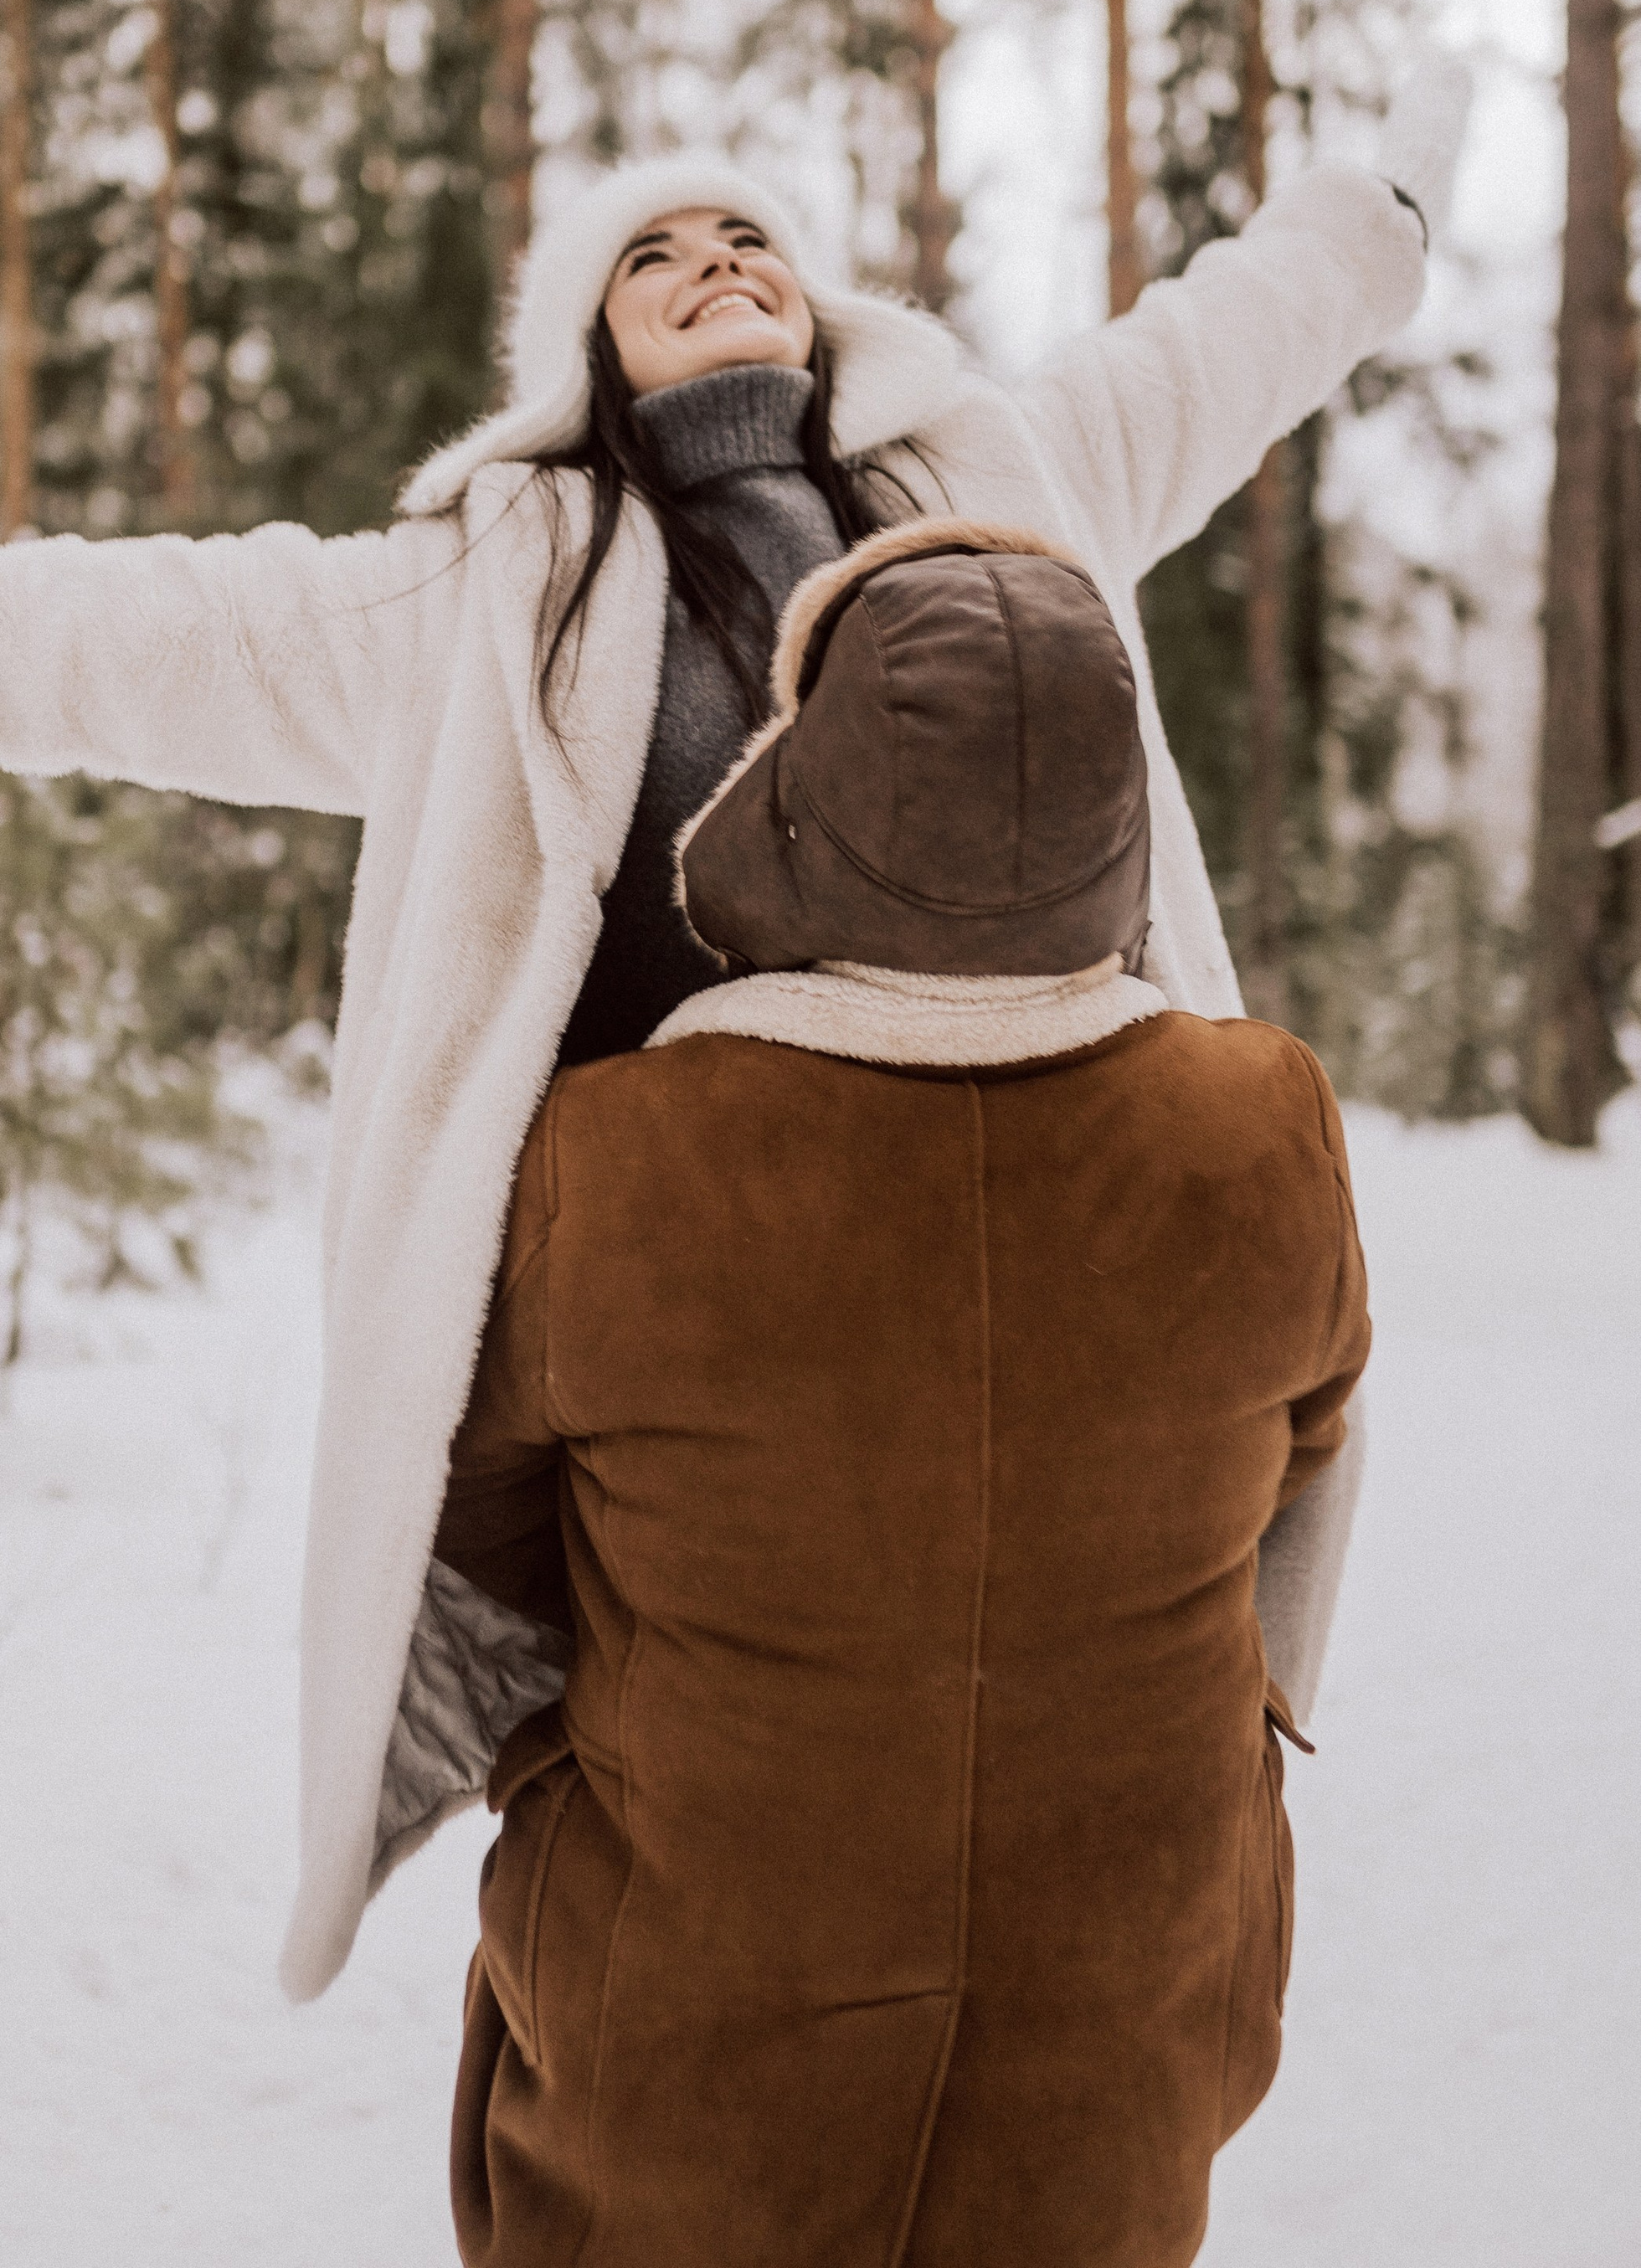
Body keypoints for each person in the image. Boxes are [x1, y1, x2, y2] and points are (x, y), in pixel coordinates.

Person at [0, 83, 1456, 1999]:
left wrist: (1365, 214)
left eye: (745, 238)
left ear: (818, 299)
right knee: (708, 1838)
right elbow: (148, 630)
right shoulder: (488, 584)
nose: (710, 266)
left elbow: (1218, 345)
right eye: (652, 255)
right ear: (584, 340)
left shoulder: (999, 475)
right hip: (691, 1311)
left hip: (1044, 1230)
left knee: (1075, 1783)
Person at [436, 522, 1369, 2268]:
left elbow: (488, 1527)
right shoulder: (1261, 1127)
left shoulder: (615, 1156)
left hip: (684, 2026)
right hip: (1122, 2027)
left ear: (800, 798)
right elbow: (1297, 1453)